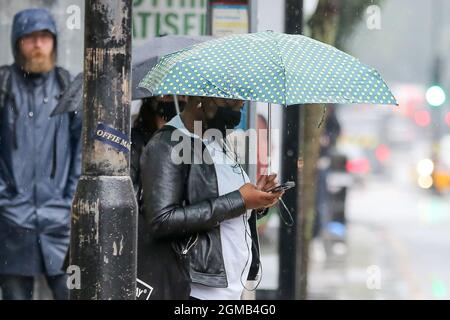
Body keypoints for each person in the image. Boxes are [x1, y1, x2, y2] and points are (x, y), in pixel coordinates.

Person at [137, 96, 282, 300]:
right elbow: (162, 220)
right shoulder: (166, 144)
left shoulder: (218, 141)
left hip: (229, 290)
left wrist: (255, 202)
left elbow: (217, 206)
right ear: (201, 98)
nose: (238, 108)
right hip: (195, 292)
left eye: (241, 104)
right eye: (230, 102)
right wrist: (239, 200)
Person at [0, 8, 82, 300]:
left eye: (45, 38)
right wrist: (4, 198)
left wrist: (69, 199)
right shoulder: (3, 86)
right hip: (11, 221)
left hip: (59, 221)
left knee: (70, 294)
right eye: (30, 38)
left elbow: (80, 150)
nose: (38, 45)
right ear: (16, 42)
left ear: (55, 42)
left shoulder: (67, 86)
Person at [130, 95, 186, 193]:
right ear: (152, 101)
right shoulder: (135, 141)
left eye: (183, 96)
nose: (178, 100)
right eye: (169, 96)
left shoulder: (188, 142)